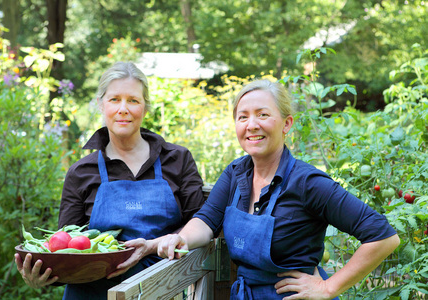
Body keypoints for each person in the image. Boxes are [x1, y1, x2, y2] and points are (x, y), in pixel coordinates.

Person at [157, 79, 400, 299]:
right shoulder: (236, 173)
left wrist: (329, 287)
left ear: (286, 124)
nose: (251, 125)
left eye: (262, 115)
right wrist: (181, 238)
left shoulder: (307, 182)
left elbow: (383, 236)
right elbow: (207, 220)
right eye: (243, 117)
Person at [14, 61, 205, 299]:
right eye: (114, 99)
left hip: (163, 289)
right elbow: (65, 247)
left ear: (145, 107)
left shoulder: (177, 159)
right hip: (92, 292)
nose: (123, 108)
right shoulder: (81, 172)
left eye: (133, 100)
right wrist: (41, 275)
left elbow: (202, 223)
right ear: (101, 104)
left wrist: (156, 244)